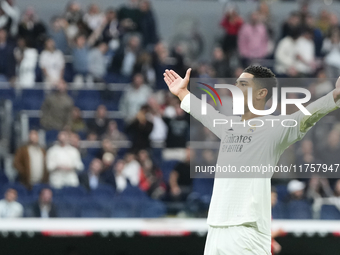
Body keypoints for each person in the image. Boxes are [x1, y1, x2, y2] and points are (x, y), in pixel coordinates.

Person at [163, 64, 340, 254]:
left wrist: (335, 96)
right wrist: (182, 93)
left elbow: (306, 117)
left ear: (261, 93)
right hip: (216, 229)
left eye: (243, 84)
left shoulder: (275, 127)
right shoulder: (228, 125)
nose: (236, 88)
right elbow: (204, 112)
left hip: (247, 232)